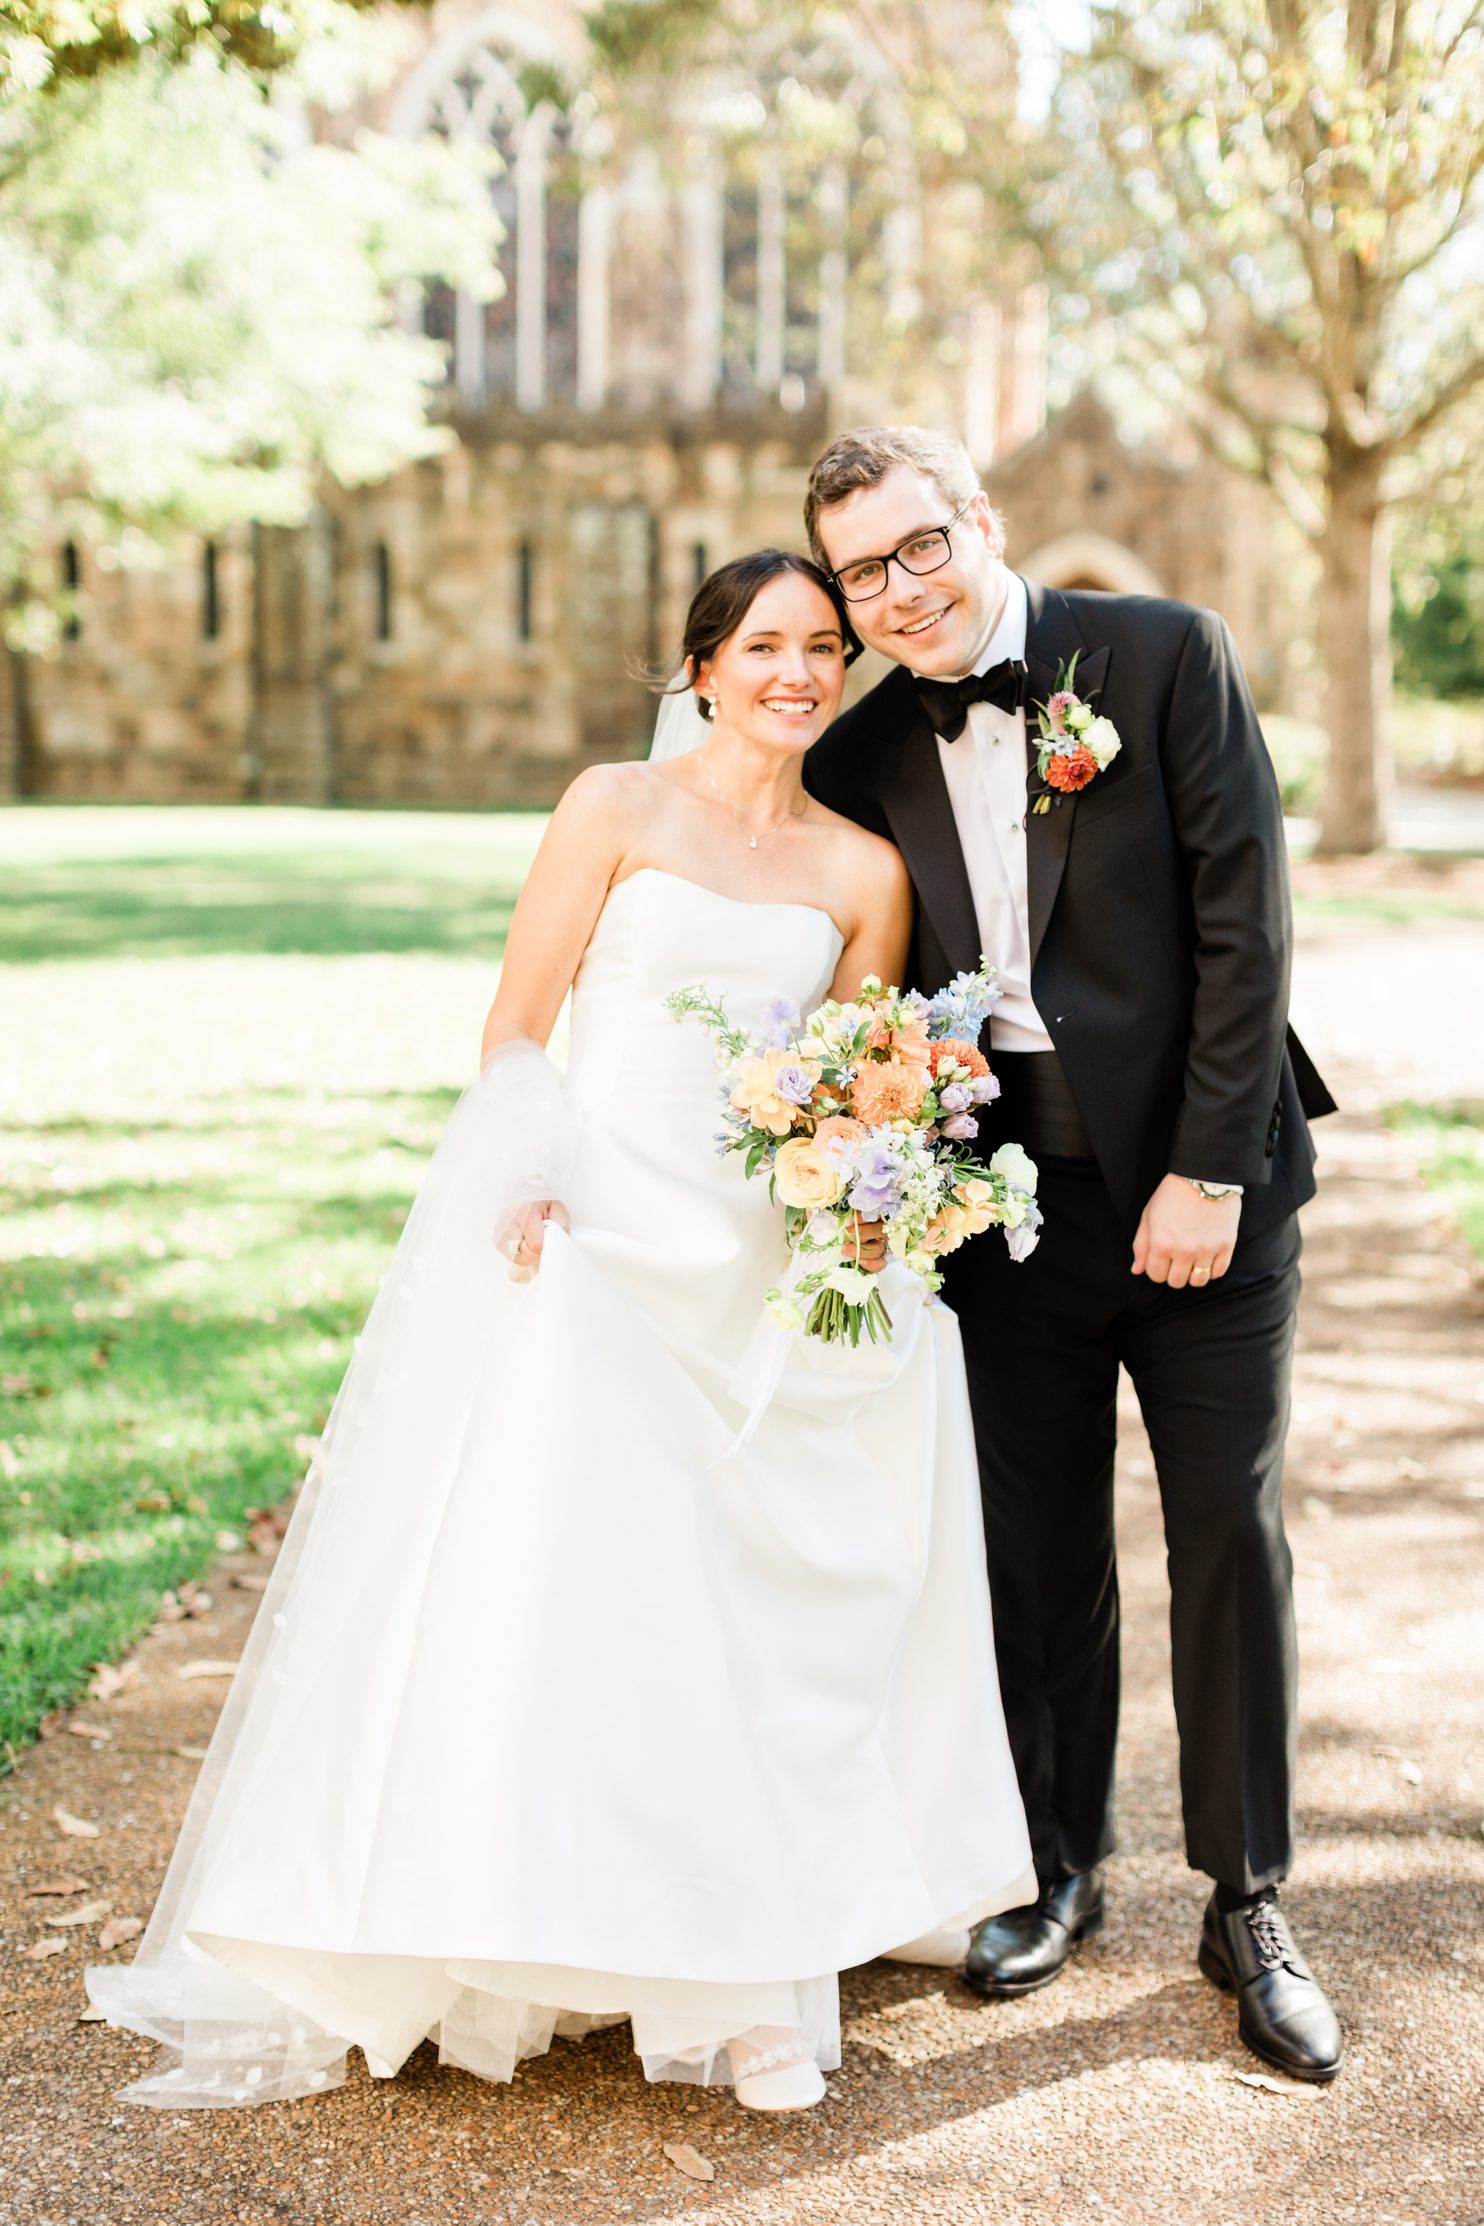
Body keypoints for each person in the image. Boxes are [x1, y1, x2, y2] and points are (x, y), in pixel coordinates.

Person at [85, 549, 1035, 2116]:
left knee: (762, 1614)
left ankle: (748, 1978)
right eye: (766, 646)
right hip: (595, 1238)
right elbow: (516, 1030)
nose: (799, 671)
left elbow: (870, 1076)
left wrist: (862, 1212)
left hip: (756, 1260)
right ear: (704, 666)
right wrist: (529, 1179)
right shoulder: (611, 808)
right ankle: (593, 1942)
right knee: (597, 1604)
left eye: (823, 647)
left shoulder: (866, 871)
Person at [802, 426, 1344, 2085]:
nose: (897, 592)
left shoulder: (1167, 657)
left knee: (1224, 1535)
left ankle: (1247, 1894)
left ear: (982, 520)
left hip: (1199, 1182)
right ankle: (1057, 1861)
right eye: (859, 573)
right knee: (1033, 1548)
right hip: (999, 1206)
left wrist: (1203, 1171)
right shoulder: (864, 753)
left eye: (916, 548)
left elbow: (1246, 925)